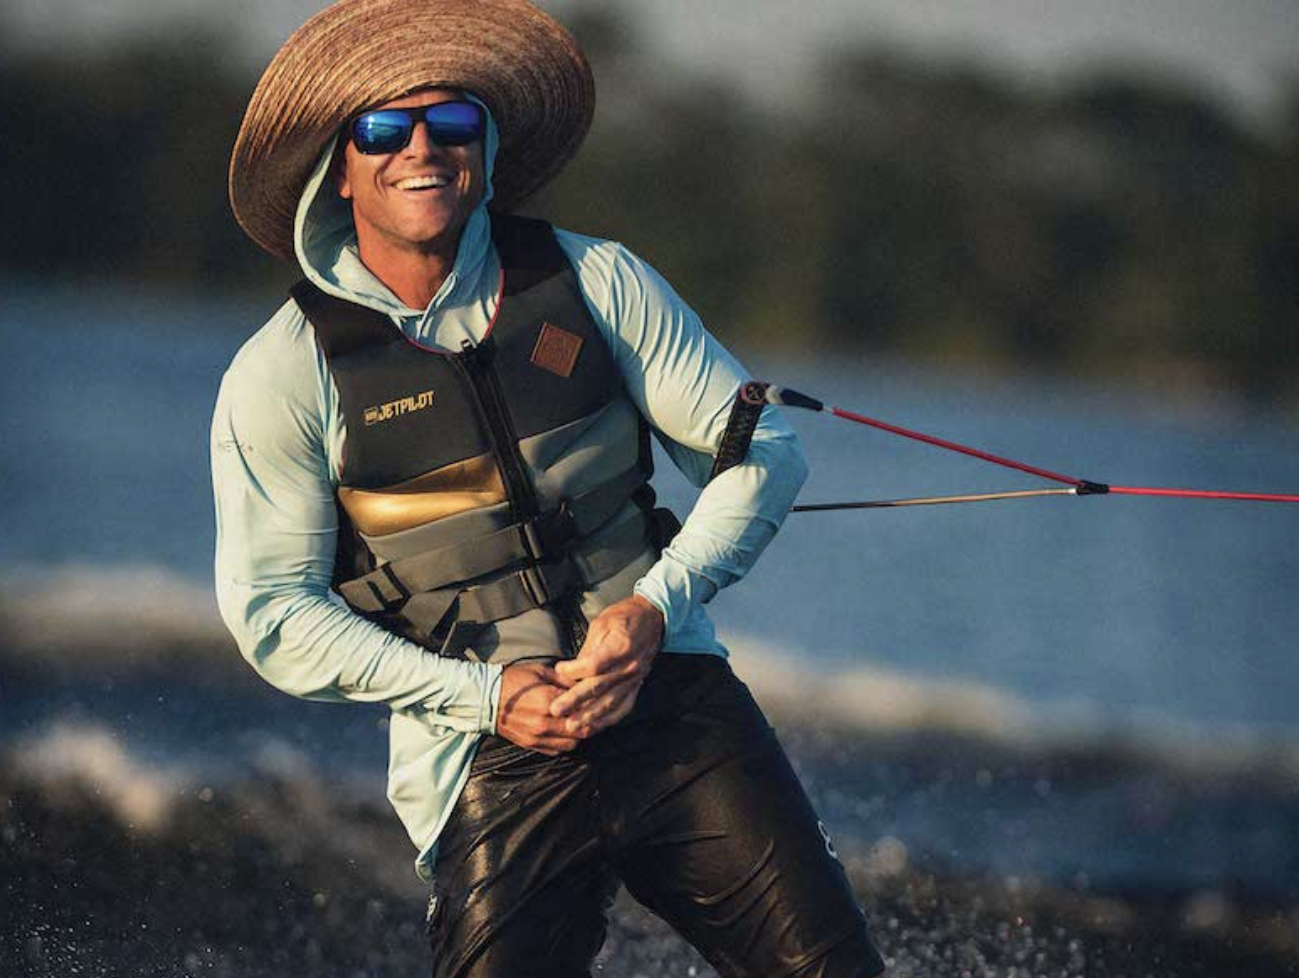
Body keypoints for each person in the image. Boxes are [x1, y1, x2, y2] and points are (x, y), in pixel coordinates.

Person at [213, 2, 884, 976]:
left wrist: (657, 605)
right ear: (342, 164)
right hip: (487, 751)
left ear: (485, 148)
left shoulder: (600, 281)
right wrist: (485, 696)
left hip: (676, 705)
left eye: (453, 125)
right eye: (383, 130)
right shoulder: (282, 374)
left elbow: (764, 452)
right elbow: (272, 611)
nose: (422, 149)